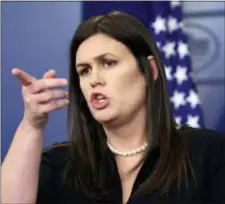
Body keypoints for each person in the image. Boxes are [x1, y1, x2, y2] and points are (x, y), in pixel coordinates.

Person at [1, 11, 225, 204]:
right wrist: (32, 125)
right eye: (84, 70)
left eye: (108, 63)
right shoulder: (62, 164)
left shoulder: (208, 154)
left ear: (150, 70)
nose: (94, 80)